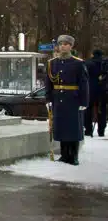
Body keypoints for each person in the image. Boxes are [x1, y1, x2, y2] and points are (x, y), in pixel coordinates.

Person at [45, 34, 89, 165]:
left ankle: (73, 156)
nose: (62, 46)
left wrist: (84, 102)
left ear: (71, 46)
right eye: (61, 44)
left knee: (73, 128)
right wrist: (48, 99)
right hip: (58, 100)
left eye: (65, 44)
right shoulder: (52, 63)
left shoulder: (78, 63)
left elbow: (84, 84)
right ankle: (64, 155)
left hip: (73, 100)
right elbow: (48, 83)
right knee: (62, 128)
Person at [85, 49, 107, 137]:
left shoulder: (87, 63)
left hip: (90, 90)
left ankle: (88, 129)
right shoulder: (105, 63)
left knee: (87, 110)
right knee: (102, 110)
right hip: (103, 90)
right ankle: (101, 130)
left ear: (92, 55)